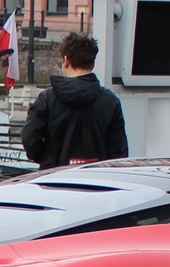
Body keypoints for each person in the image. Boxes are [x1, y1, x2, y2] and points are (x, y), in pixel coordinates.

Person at [21, 32, 129, 168]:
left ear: (66, 60)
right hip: (98, 180)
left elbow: (29, 138)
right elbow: (119, 151)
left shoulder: (48, 98)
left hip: (55, 179)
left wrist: (47, 159)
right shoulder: (110, 101)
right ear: (92, 64)